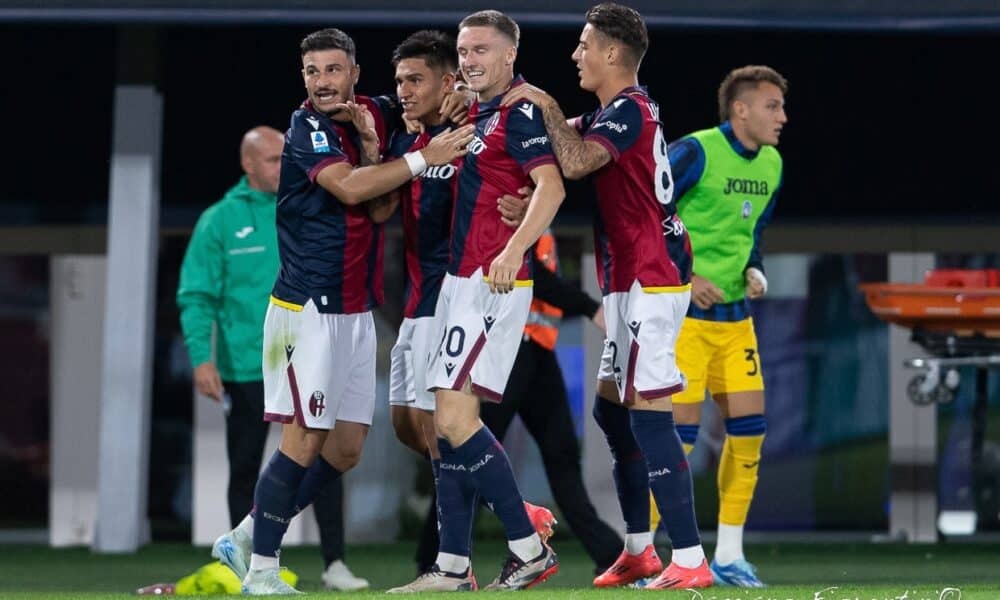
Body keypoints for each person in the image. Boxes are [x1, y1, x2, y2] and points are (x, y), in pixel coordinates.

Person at [209, 27, 473, 596]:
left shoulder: (373, 112)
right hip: (306, 309)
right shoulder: (305, 128)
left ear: (354, 73)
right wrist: (423, 157)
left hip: (355, 309)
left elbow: (415, 118)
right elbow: (352, 189)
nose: (322, 82)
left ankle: (247, 533)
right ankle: (261, 569)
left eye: (333, 70)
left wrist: (460, 97)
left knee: (347, 448)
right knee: (303, 440)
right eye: (312, 71)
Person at [500, 2, 712, 590]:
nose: (576, 55)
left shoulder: (629, 110)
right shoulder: (614, 113)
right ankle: (639, 551)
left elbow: (574, 160)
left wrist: (539, 101)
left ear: (613, 52)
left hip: (650, 277)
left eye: (584, 45)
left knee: (648, 411)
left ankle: (690, 558)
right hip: (627, 279)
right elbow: (562, 156)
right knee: (611, 411)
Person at [388, 9, 566, 593]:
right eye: (464, 51)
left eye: (481, 50)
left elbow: (552, 186)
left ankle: (527, 545)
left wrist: (516, 249)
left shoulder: (519, 111)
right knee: (445, 428)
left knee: (453, 421)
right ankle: (452, 566)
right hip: (460, 283)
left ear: (510, 54)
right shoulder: (484, 111)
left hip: (492, 283)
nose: (469, 60)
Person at [176, 126, 367, 591]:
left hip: (306, 349)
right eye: (274, 159)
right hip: (246, 363)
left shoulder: (306, 203)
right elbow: (196, 295)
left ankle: (334, 562)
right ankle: (248, 561)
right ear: (248, 164)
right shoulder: (219, 221)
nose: (285, 166)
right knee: (247, 464)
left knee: (322, 449)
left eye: (287, 157)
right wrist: (202, 359)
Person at [647, 65, 787, 588]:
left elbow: (754, 231)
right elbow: (645, 214)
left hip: (735, 322)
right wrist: (687, 275)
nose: (782, 117)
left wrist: (755, 268)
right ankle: (648, 555)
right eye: (773, 106)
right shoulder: (695, 151)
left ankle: (729, 556)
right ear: (740, 109)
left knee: (749, 435)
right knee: (677, 441)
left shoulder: (772, 164)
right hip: (683, 321)